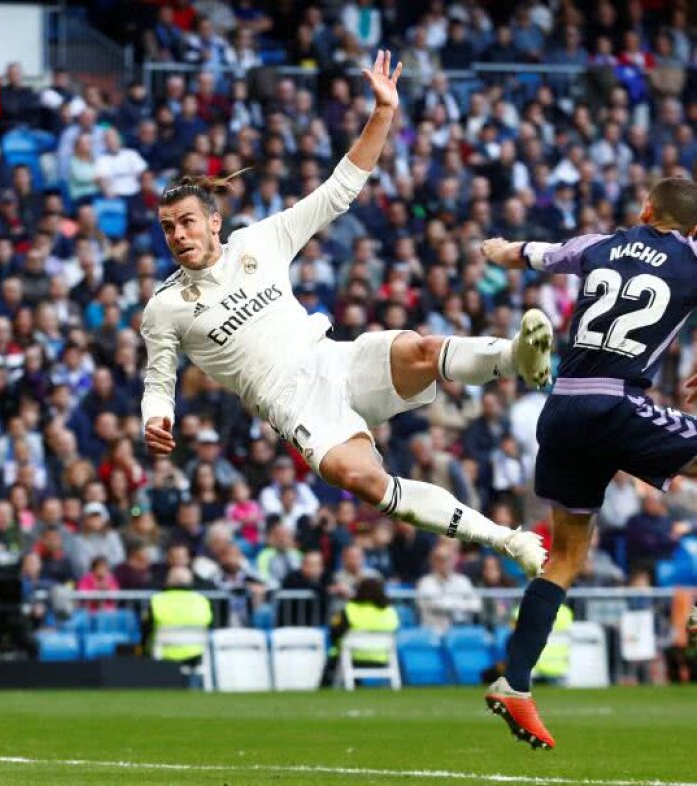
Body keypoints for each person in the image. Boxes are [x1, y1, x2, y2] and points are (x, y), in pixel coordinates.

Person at [140, 51, 549, 579]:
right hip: (294, 404)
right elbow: (158, 379)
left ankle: (521, 358)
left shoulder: (259, 241)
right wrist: (156, 416)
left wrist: (383, 112)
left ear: (214, 222)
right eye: (168, 228)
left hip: (333, 358)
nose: (178, 236)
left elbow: (339, 190)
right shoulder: (165, 307)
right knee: (363, 481)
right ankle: (507, 538)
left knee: (419, 349)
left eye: (187, 222)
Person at [479, 176, 697, 749]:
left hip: (562, 407)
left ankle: (515, 683)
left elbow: (525, 254)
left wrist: (494, 248)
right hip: (614, 402)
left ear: (646, 208)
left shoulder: (596, 245)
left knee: (568, 556)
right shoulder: (692, 257)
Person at [326, 577, 399, 685]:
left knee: (332, 656)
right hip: (382, 657)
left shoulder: (350, 609)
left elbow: (335, 633)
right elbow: (395, 630)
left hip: (353, 656)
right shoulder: (390, 611)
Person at [142, 565, 212, 665]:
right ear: (190, 581)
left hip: (163, 656)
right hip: (197, 655)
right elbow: (211, 626)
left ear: (168, 581)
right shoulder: (202, 600)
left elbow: (146, 629)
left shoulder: (157, 600)